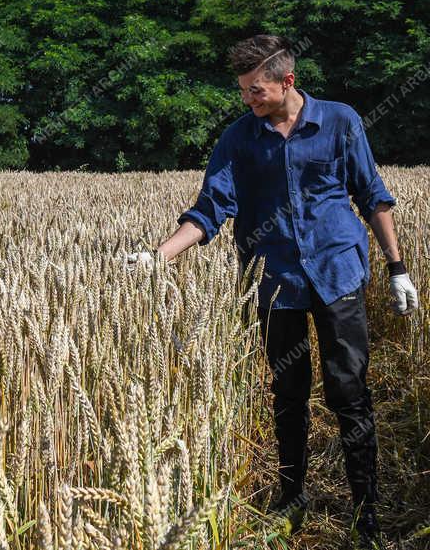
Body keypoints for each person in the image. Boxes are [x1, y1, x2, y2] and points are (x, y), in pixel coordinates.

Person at [127, 35, 418, 549]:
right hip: (275, 283)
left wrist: (397, 267)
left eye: (255, 90)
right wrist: (158, 256)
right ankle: (291, 501)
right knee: (287, 395)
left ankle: (366, 507)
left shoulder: (340, 121)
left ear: (287, 81)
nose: (248, 100)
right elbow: (209, 209)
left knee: (348, 392)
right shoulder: (239, 139)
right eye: (242, 92)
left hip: (337, 274)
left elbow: (371, 194)